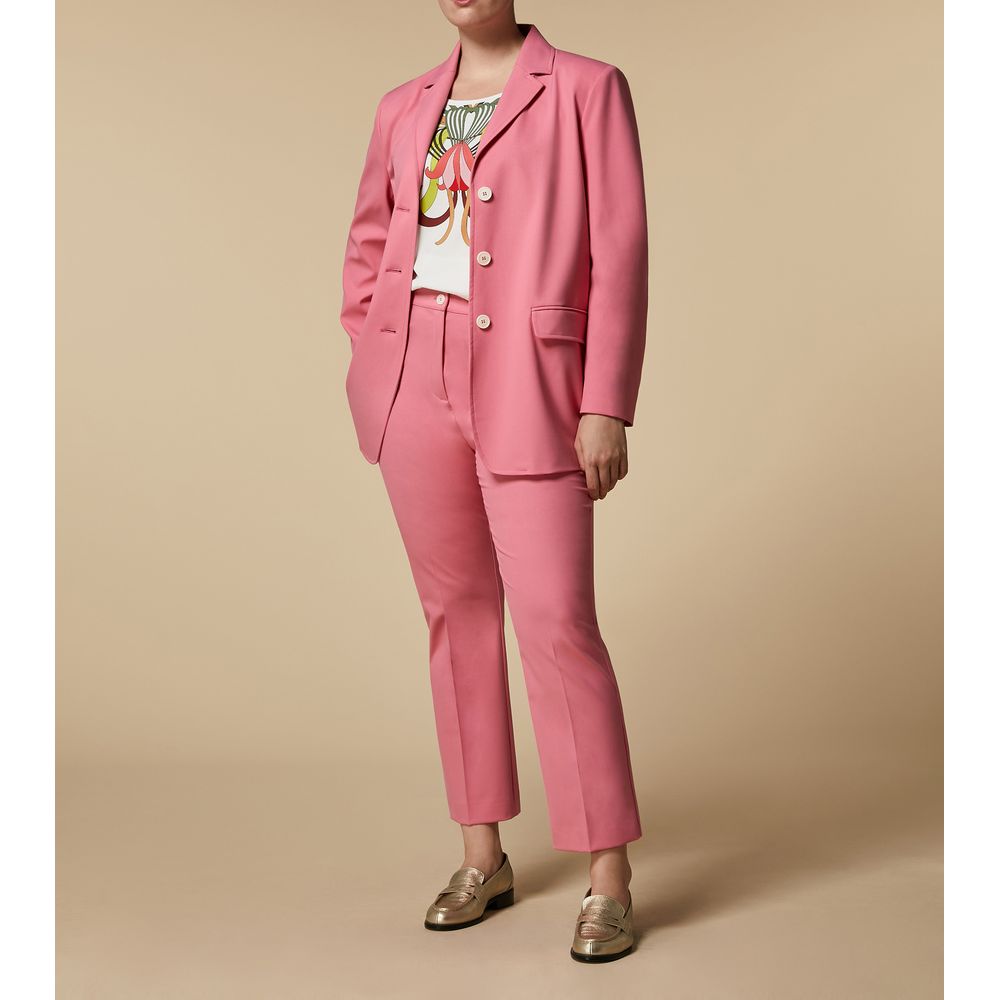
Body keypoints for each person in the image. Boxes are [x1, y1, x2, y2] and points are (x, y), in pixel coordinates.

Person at [340, 0, 648, 963]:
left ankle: (608, 878)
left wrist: (605, 400)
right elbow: (369, 243)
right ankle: (483, 855)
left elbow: (621, 251)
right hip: (412, 376)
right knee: (456, 617)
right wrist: (372, 355)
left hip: (531, 376)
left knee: (556, 622)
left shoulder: (588, 89)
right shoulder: (403, 105)